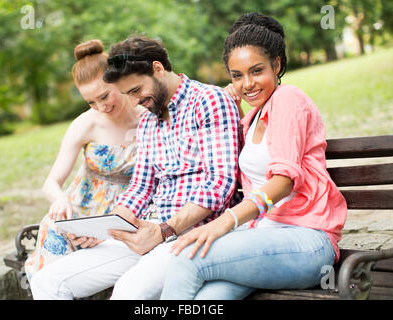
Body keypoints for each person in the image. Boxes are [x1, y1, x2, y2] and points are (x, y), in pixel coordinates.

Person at [29, 35, 240, 300]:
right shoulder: (149, 122)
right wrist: (107, 229)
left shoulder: (209, 101)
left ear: (158, 69)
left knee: (127, 292)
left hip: (195, 233)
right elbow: (140, 187)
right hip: (148, 231)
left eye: (136, 90)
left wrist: (163, 231)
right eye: (127, 94)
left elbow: (219, 184)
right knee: (48, 282)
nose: (134, 101)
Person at [160, 12, 347, 300]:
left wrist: (226, 221)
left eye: (256, 71)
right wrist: (230, 103)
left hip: (306, 240)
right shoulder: (251, 119)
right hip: (260, 238)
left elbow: (283, 181)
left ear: (277, 64)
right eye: (237, 75)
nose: (247, 83)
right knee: (210, 298)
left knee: (188, 256)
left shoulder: (288, 98)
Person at [24, 39, 145, 282]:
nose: (100, 107)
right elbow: (52, 181)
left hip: (129, 210)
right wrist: (59, 199)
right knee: (54, 228)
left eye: (104, 96)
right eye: (91, 101)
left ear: (118, 81)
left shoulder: (147, 116)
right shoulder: (85, 124)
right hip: (83, 211)